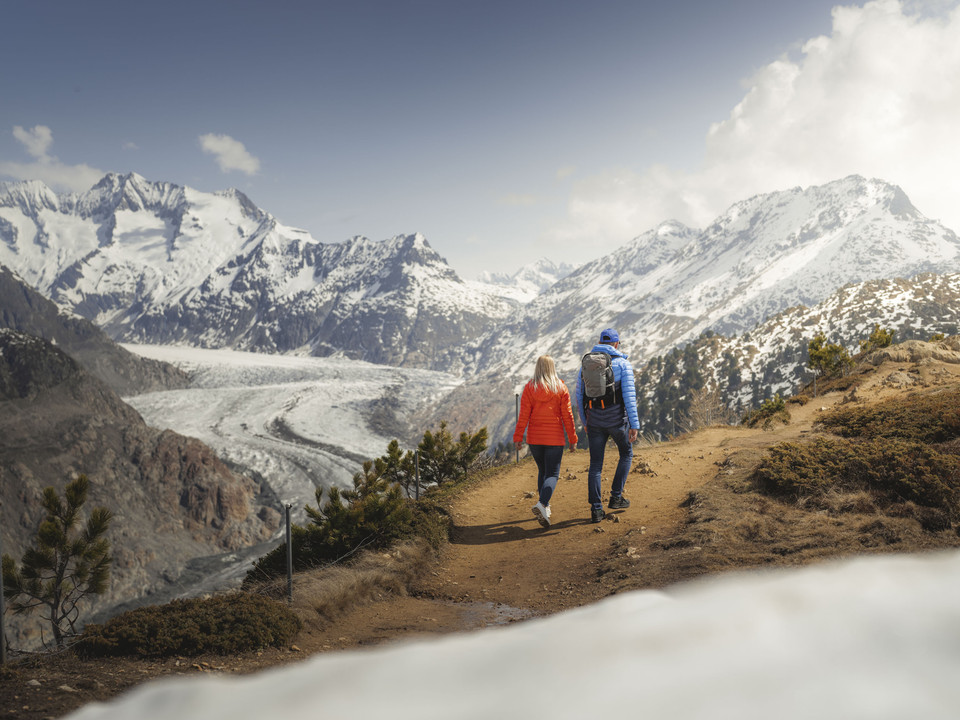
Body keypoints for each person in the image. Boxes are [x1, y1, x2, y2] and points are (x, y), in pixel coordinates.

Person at [575, 328, 640, 523]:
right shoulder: (623, 365)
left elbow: (579, 396)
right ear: (616, 344)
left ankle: (596, 510)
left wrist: (585, 422)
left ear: (600, 343)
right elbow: (629, 397)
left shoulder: (586, 365)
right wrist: (634, 425)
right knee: (626, 454)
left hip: (594, 422)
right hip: (617, 421)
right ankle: (616, 497)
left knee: (596, 465)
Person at [513, 355, 578, 528]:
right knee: (553, 474)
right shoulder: (561, 388)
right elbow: (568, 417)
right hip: (554, 439)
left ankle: (545, 507)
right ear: (552, 367)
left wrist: (518, 437)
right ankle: (542, 504)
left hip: (535, 439)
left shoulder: (529, 388)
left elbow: (523, 416)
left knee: (543, 471)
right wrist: (573, 439)